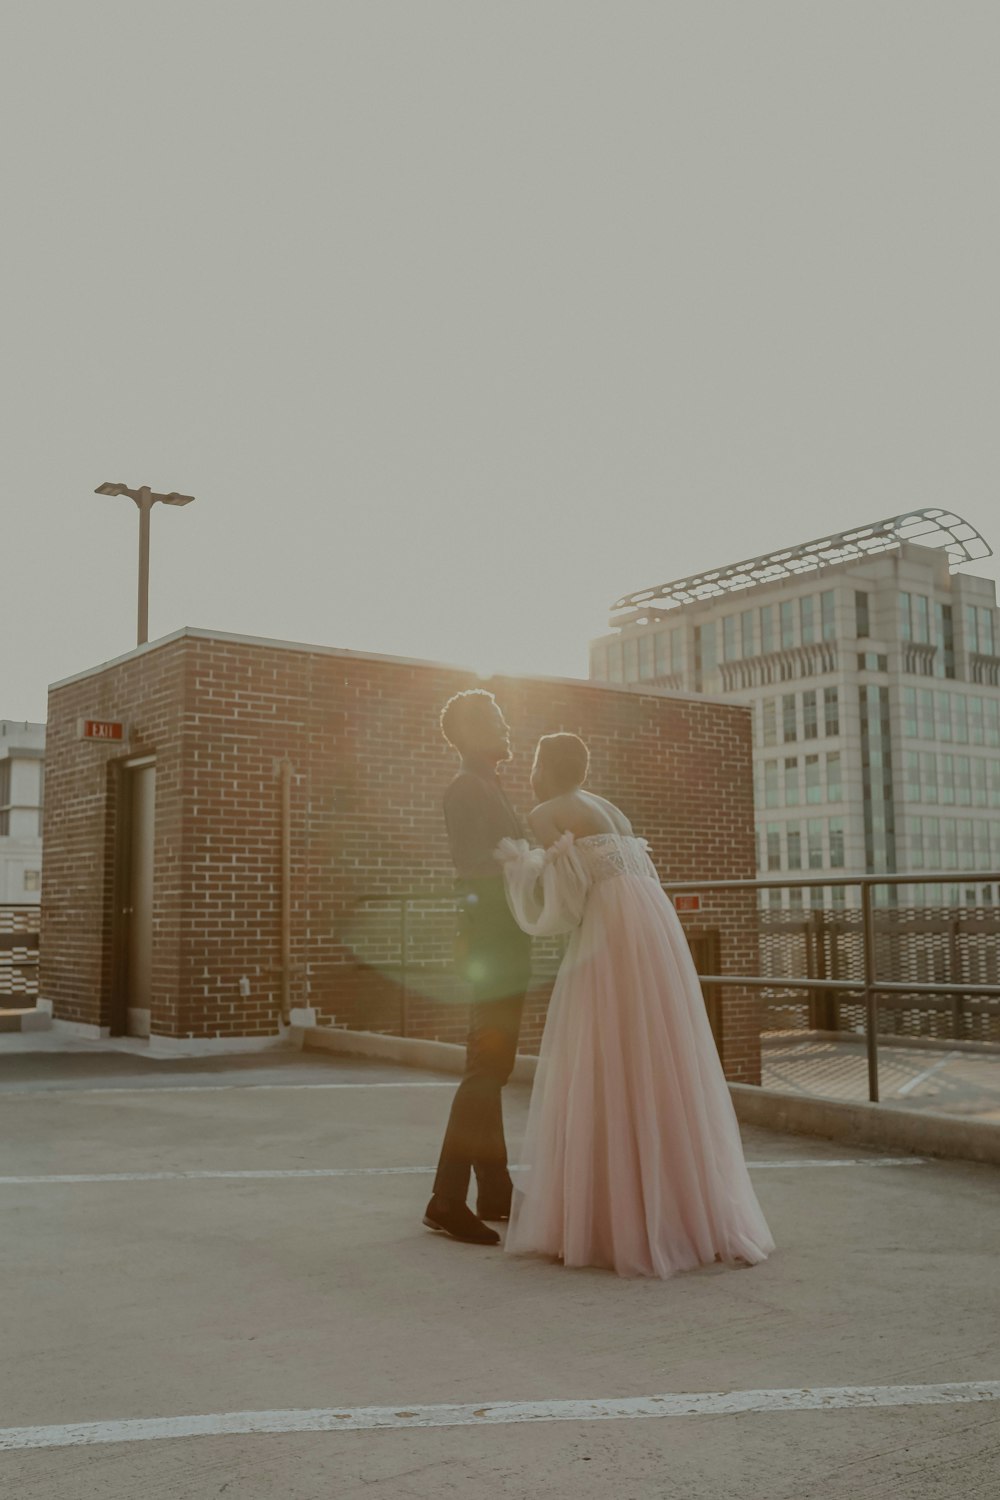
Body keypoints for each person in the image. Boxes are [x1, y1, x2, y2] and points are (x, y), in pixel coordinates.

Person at [495, 732, 775, 1279]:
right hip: (653, 919)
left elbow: (568, 900)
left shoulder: (546, 810)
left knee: (604, 1047)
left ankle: (618, 1217)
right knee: (659, 1049)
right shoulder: (609, 806)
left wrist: (523, 876)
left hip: (613, 927)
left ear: (543, 766)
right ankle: (683, 1207)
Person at [423, 690, 533, 1246]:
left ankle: (493, 1189)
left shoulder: (489, 783)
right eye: (494, 719)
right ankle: (445, 1200)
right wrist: (532, 871)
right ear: (468, 734)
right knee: (485, 1069)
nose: (505, 726)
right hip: (491, 944)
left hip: (504, 940)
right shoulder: (465, 788)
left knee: (495, 1069)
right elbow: (472, 868)